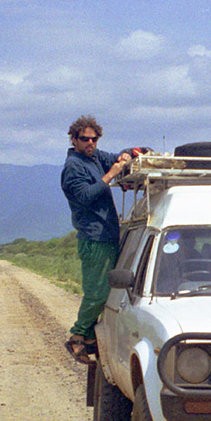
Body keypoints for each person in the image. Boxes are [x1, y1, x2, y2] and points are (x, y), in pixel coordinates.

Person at [60, 115, 133, 364]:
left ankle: (91, 336)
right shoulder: (74, 166)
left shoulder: (94, 158)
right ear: (74, 139)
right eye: (85, 139)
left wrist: (126, 156)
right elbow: (85, 196)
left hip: (107, 234)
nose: (90, 143)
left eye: (94, 138)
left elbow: (115, 157)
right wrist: (111, 173)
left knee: (106, 290)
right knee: (97, 292)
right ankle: (78, 335)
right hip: (94, 237)